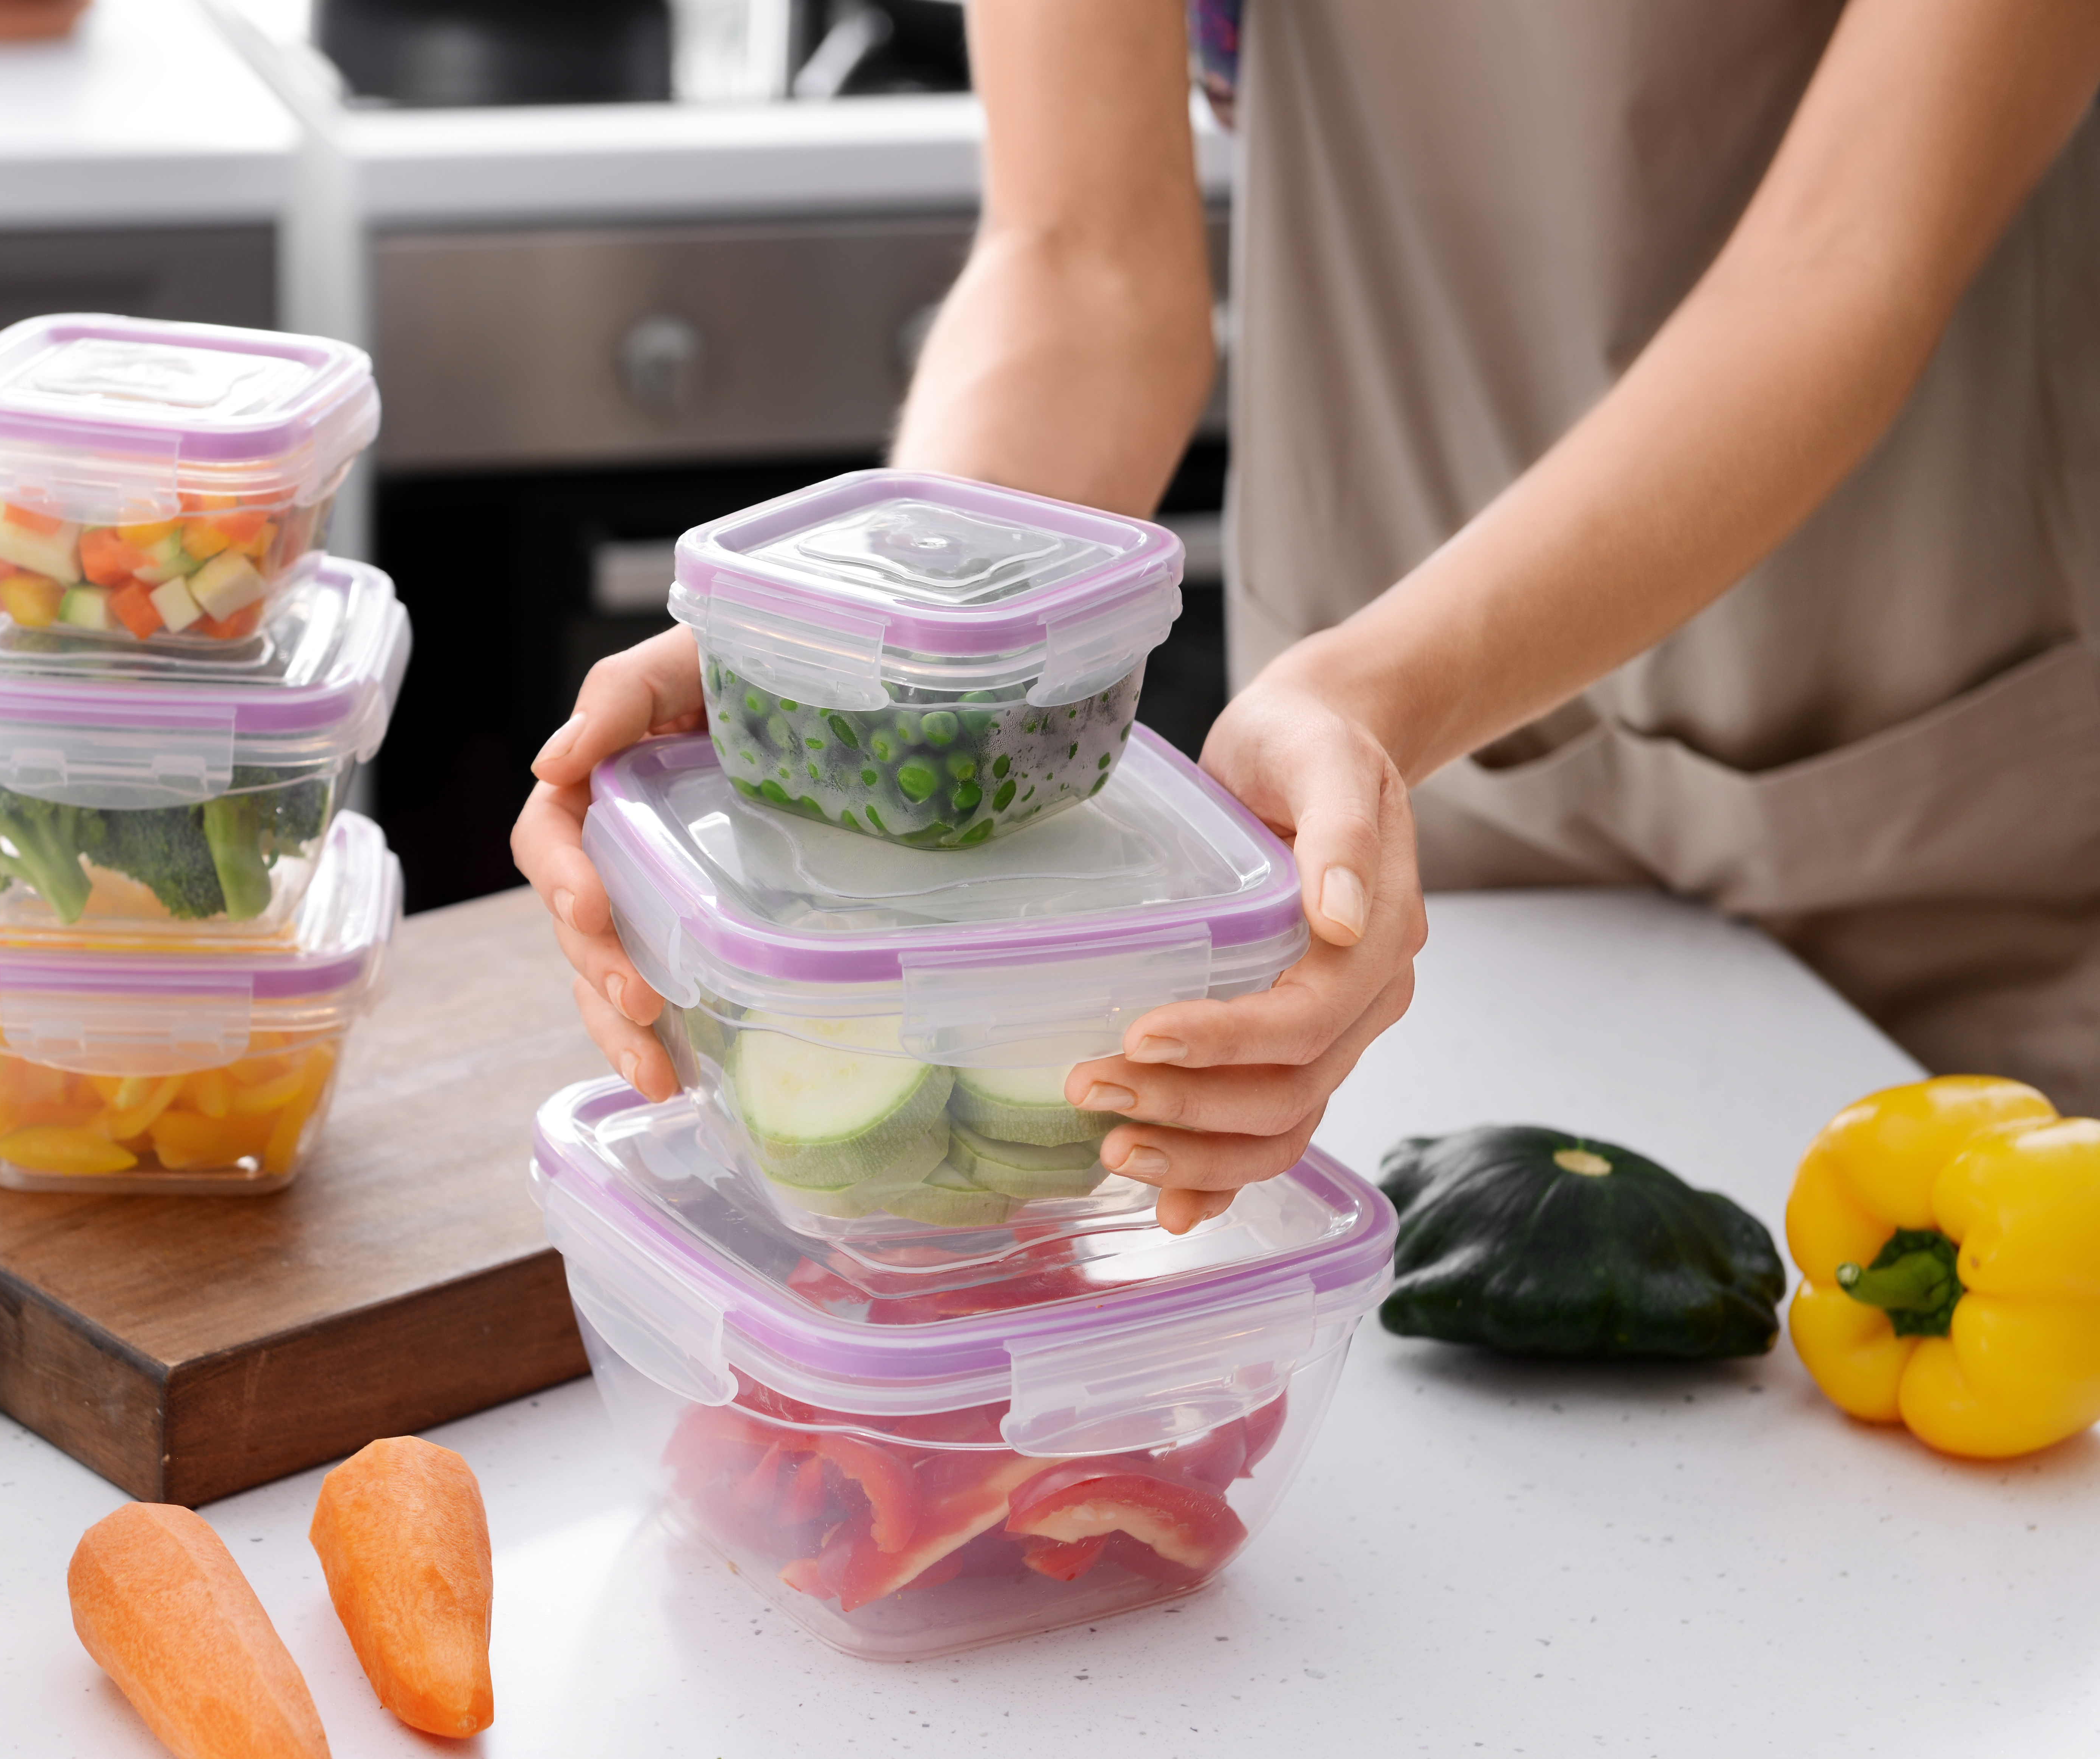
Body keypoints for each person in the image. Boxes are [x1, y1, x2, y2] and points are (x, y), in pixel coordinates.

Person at [514, 0, 2100, 1232]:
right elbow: (1082, 261)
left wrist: (1377, 694)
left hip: (1929, 817)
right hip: (1400, 825)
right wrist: (880, 656)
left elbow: (1844, 258)